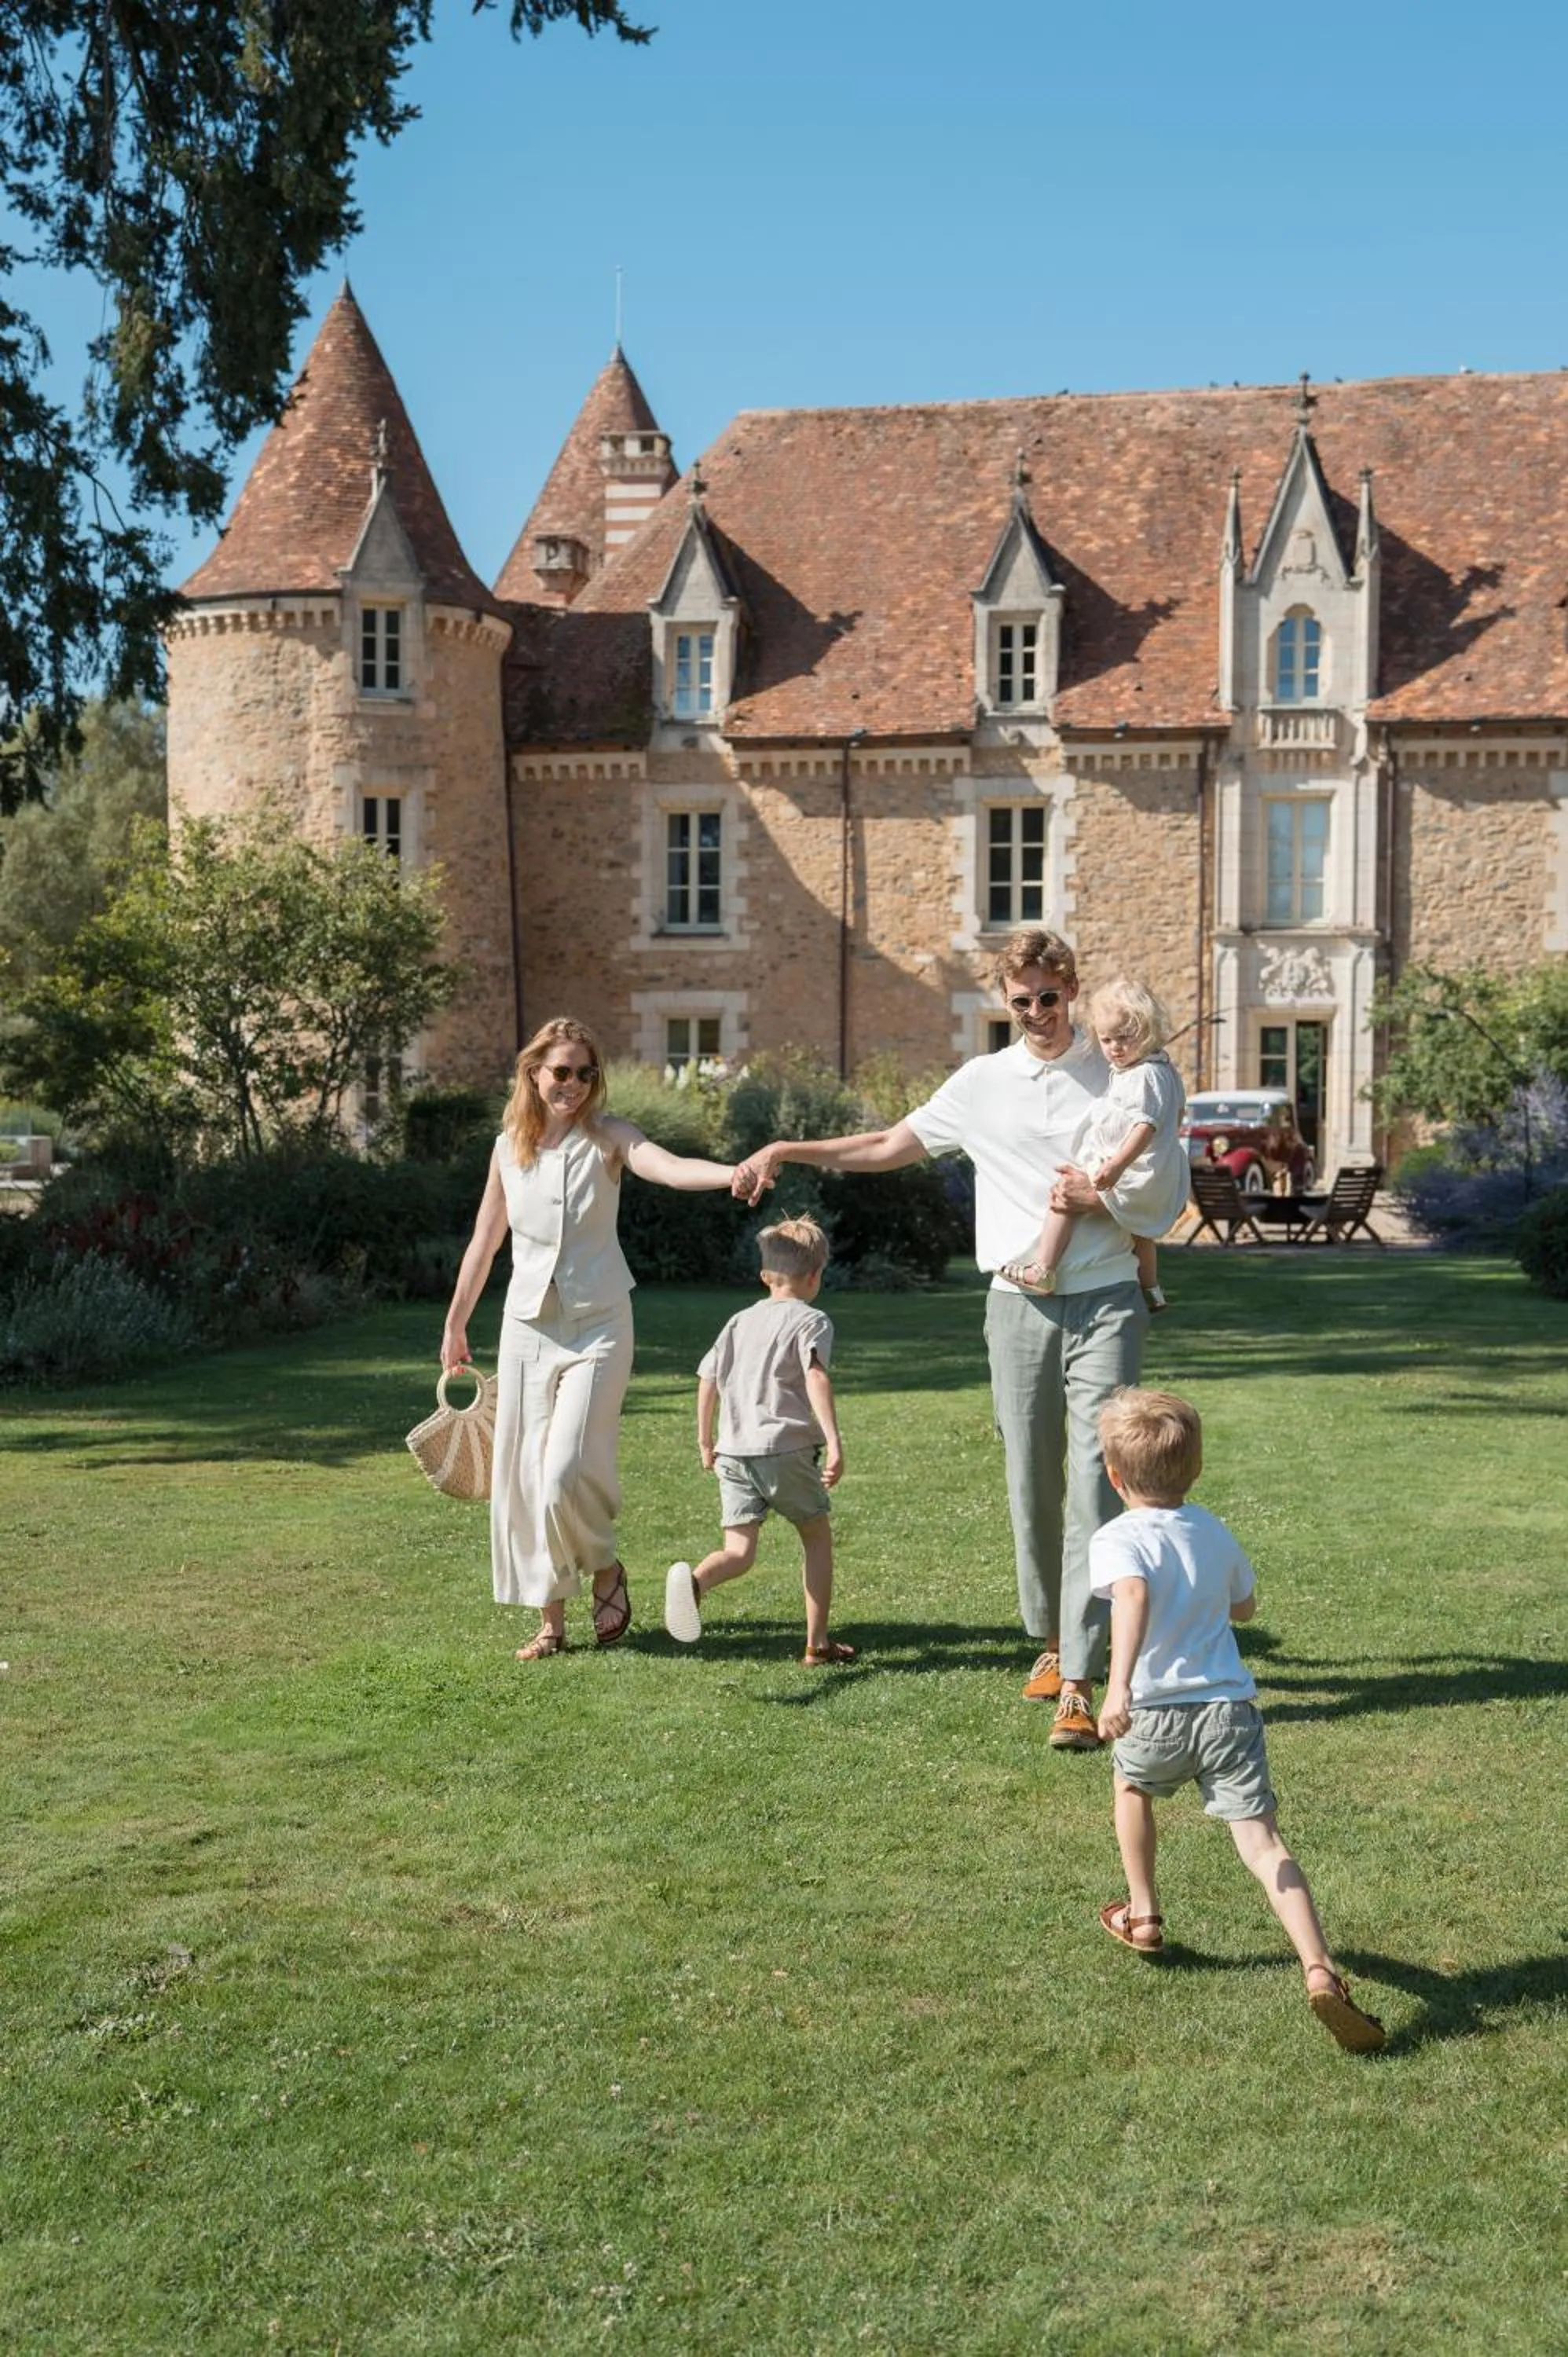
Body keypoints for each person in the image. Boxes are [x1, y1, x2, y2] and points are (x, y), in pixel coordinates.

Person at [735, 928, 1188, 1747]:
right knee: (1029, 1480)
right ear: (1003, 1002)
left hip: (1107, 1293)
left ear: (1073, 990)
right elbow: (882, 1145)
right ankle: (1051, 1640)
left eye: (1051, 997)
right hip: (1015, 1303)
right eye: (1023, 1002)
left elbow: (1160, 1161)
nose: (1040, 1013)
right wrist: (785, 1148)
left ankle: (1080, 1682)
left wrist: (1107, 1203)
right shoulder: (983, 1081)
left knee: (1096, 1478)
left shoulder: (1117, 1063)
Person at [1091, 1387, 1385, 2052]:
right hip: (1228, 1712)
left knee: (1132, 1789)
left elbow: (1131, 1597)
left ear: (1114, 1476)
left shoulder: (1116, 1538)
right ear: (1194, 1470)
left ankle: (1143, 1914)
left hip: (1157, 1715)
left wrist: (1117, 1691)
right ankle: (1321, 1972)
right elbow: (1245, 1608)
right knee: (1264, 1846)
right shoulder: (1213, 1529)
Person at [441, 1017, 738, 1662]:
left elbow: (666, 1166)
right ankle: (551, 1621)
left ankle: (603, 1568)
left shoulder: (608, 1137)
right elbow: (485, 1241)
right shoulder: (508, 1149)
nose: (573, 1084)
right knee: (523, 1478)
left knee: (563, 1474)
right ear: (533, 1074)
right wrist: (456, 1320)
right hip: (526, 1328)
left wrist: (729, 1173)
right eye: (561, 1072)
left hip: (600, 1324)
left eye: (585, 1073)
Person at [663, 1215, 854, 1665]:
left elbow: (707, 1379)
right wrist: (835, 1441)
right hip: (784, 1449)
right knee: (816, 1537)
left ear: (766, 1276)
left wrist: (704, 1439)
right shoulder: (813, 1320)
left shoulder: (738, 1321)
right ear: (815, 1276)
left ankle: (694, 1583)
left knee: (739, 1551)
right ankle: (818, 1644)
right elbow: (815, 1376)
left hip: (733, 1450)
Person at [998, 976, 1185, 1314]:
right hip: (1153, 1174)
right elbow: (1176, 1113)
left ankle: (1042, 1269)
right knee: (1140, 1233)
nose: (1114, 1048)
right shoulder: (1162, 1069)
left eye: (1125, 1038)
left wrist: (1115, 1166)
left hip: (1130, 1171)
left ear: (1146, 1030)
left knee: (1066, 1195)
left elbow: (1146, 1125)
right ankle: (1151, 1290)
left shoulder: (1144, 1075)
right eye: (1106, 1039)